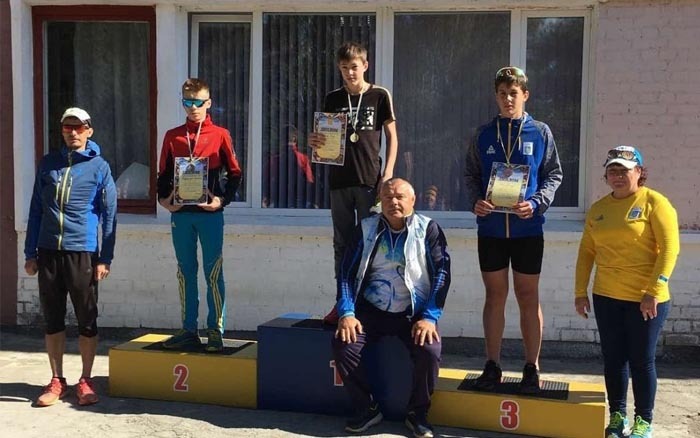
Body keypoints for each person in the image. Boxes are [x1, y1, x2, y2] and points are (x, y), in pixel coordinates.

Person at [464, 66, 563, 394]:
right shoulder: (483, 134)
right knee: (494, 296)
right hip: (491, 229)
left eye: (514, 93)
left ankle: (532, 368)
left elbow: (554, 174)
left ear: (525, 95)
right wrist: (476, 201)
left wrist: (536, 203)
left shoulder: (541, 132)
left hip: (527, 230)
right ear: (496, 96)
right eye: (503, 94)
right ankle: (492, 365)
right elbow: (470, 174)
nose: (508, 99)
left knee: (527, 295)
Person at [331, 178, 450, 438]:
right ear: (380, 201)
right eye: (387, 197)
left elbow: (442, 274)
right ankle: (367, 408)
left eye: (399, 197)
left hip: (413, 311)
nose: (393, 202)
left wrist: (430, 317)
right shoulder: (366, 228)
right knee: (344, 344)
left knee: (429, 350)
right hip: (371, 309)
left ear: (412, 200)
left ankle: (418, 412)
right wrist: (347, 313)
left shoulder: (428, 229)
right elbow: (346, 274)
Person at [575, 146, 679, 438]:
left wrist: (653, 291)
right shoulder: (599, 209)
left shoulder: (655, 203)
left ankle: (644, 420)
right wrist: (580, 291)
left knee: (641, 360)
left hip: (646, 300)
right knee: (613, 359)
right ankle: (617, 416)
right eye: (613, 171)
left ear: (639, 172)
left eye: (625, 170)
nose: (618, 176)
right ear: (606, 176)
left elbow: (670, 250)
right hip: (606, 296)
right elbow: (586, 252)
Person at [24, 107, 117, 407]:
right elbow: (36, 210)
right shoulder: (48, 164)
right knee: (52, 318)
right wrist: (30, 252)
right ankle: (57, 380)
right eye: (67, 127)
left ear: (89, 131)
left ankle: (86, 380)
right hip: (48, 251)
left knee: (86, 318)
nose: (73, 133)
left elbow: (110, 215)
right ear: (62, 131)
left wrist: (105, 258)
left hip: (83, 251)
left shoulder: (99, 167)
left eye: (78, 127)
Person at [308, 41, 398, 324]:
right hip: (340, 181)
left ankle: (372, 304)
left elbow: (393, 137)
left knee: (372, 243)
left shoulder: (379, 95)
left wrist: (388, 174)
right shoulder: (333, 98)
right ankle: (343, 303)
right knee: (342, 244)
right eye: (345, 68)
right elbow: (325, 139)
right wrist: (315, 141)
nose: (350, 73)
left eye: (354, 67)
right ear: (339, 68)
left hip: (370, 181)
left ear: (365, 66)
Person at [157, 78, 242, 353]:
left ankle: (215, 330)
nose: (193, 108)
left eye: (198, 102)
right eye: (187, 102)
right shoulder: (173, 136)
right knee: (185, 272)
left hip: (209, 215)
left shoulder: (220, 134)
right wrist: (165, 201)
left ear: (209, 103)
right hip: (182, 215)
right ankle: (188, 329)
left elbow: (235, 173)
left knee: (213, 271)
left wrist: (222, 201)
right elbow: (162, 174)